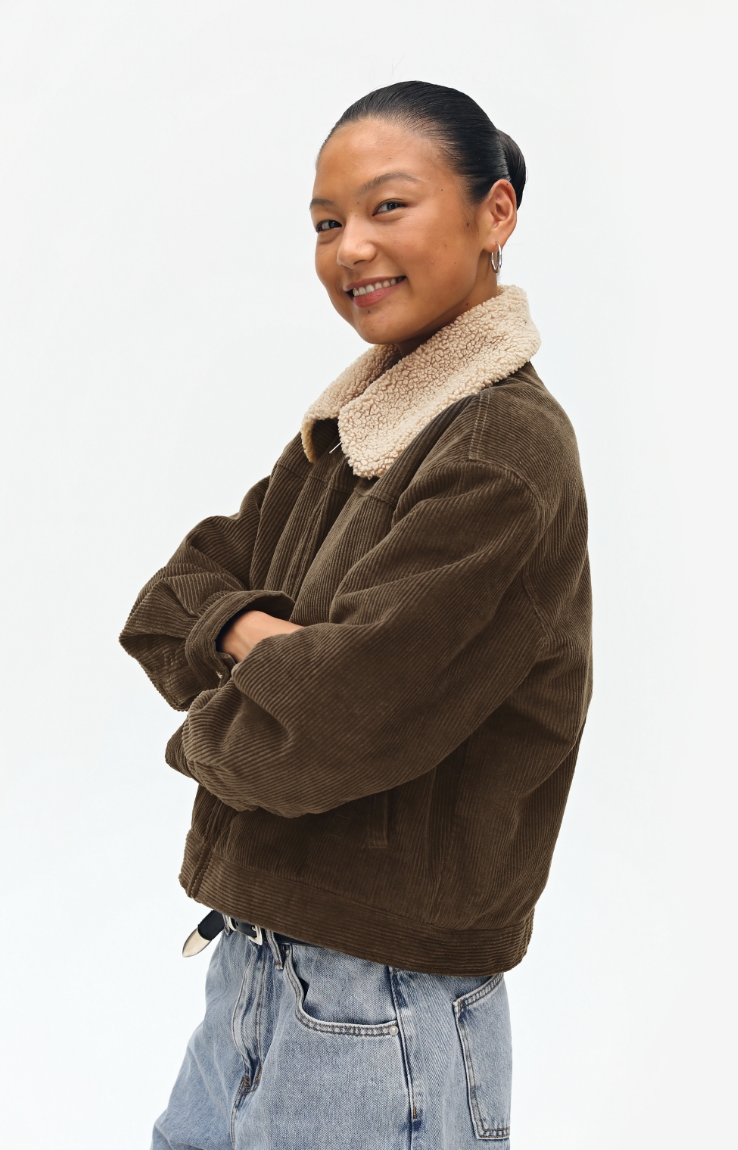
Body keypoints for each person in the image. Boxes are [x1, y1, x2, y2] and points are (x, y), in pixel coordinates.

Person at [120, 80, 592, 1150]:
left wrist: (226, 699)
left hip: (384, 1001)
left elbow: (328, 727)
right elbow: (167, 599)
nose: (351, 249)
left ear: (496, 213)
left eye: (388, 206)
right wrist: (262, 640)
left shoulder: (497, 451)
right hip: (257, 966)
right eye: (327, 223)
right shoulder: (356, 430)